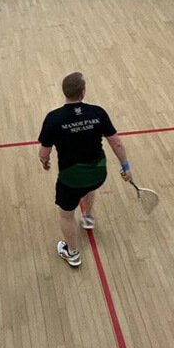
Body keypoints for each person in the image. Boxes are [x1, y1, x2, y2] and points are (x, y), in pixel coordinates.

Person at [38, 72, 131, 267]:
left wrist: (44, 162)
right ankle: (88, 217)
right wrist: (125, 167)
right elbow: (117, 144)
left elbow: (44, 152)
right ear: (83, 92)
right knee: (89, 188)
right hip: (98, 172)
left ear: (65, 93)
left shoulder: (53, 118)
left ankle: (72, 253)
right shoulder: (98, 112)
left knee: (66, 214)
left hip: (70, 179)